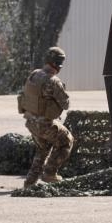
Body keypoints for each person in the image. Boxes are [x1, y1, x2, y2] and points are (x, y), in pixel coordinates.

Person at [19, 46, 73, 188]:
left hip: (31, 123)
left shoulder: (34, 74)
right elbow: (66, 104)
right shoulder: (53, 81)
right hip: (44, 125)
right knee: (66, 140)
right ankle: (50, 173)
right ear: (58, 64)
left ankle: (30, 182)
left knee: (42, 149)